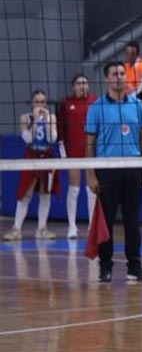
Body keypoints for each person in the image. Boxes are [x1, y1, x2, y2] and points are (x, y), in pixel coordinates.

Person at [85, 61, 142, 283]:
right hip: (107, 170)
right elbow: (89, 143)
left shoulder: (137, 105)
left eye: (122, 73)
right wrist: (91, 175)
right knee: (106, 221)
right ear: (107, 78)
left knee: (133, 222)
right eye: (115, 73)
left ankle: (135, 267)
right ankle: (105, 267)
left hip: (133, 169)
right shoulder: (96, 107)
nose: (120, 77)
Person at [5, 90, 59, 241]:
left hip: (47, 157)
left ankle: (42, 229)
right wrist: (35, 121)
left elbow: (52, 139)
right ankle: (16, 229)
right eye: (37, 102)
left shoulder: (51, 117)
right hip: (31, 156)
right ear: (32, 103)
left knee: (45, 193)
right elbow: (28, 139)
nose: (40, 105)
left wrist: (46, 122)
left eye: (43, 102)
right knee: (26, 193)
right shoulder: (25, 117)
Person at [57, 74, 96, 239]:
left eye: (85, 83)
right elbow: (61, 127)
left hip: (91, 151)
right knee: (74, 188)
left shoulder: (95, 100)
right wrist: (62, 149)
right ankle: (72, 226)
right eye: (79, 83)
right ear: (73, 86)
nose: (82, 86)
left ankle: (92, 225)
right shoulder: (66, 102)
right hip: (73, 151)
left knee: (92, 189)